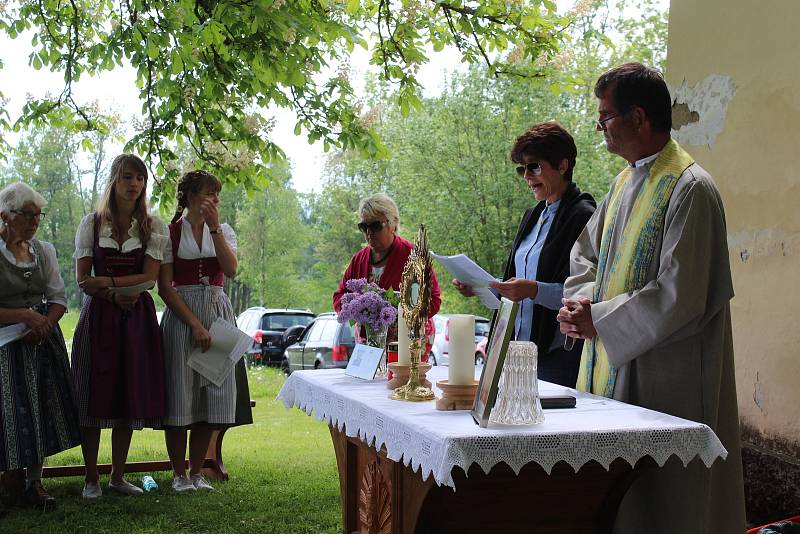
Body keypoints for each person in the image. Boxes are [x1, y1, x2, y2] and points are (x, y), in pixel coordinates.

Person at [556, 63, 745, 533]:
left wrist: (600, 319)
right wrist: (583, 307)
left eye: (605, 118)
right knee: (619, 503)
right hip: (614, 365)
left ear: (638, 118)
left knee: (666, 504)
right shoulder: (622, 185)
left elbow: (681, 294)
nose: (600, 129)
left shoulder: (690, 188)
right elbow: (586, 257)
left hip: (667, 378)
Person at [452, 122, 595, 387]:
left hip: (556, 355)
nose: (527, 176)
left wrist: (532, 290)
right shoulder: (533, 215)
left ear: (563, 165)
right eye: (523, 169)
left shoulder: (583, 215)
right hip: (516, 350)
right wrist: (484, 286)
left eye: (535, 166)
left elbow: (581, 294)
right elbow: (518, 284)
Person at [71, 154, 169, 498]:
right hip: (100, 316)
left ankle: (116, 476)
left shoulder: (152, 226)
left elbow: (151, 277)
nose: (134, 185)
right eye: (128, 177)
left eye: (140, 179)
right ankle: (91, 478)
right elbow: (83, 280)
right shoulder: (92, 223)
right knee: (93, 391)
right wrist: (113, 294)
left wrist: (107, 282)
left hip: (136, 318)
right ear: (114, 180)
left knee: (128, 392)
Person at [158, 169, 252, 492]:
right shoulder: (169, 234)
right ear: (190, 198)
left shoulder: (223, 231)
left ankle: (197, 472)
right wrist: (194, 324)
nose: (214, 200)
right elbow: (165, 288)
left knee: (211, 396)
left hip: (217, 314)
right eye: (209, 193)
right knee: (179, 394)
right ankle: (178, 474)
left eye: (217, 195)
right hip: (182, 316)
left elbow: (231, 269)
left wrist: (214, 229)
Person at [0, 183, 81, 510]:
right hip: (5, 346)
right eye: (27, 215)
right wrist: (24, 316)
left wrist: (44, 323)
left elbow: (58, 298)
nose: (35, 222)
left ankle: (34, 483)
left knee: (40, 411)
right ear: (5, 216)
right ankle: (7, 482)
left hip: (41, 344)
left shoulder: (43, 250)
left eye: (38, 215)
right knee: (7, 415)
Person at [333, 193, 441, 349]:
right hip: (370, 343)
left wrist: (396, 315)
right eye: (364, 227)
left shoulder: (413, 257)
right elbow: (339, 296)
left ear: (393, 223)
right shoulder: (359, 259)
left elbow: (433, 300)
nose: (369, 232)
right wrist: (354, 308)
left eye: (375, 226)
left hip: (408, 343)